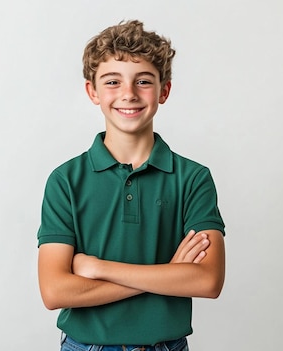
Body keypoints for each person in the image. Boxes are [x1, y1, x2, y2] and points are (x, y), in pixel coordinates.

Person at [37, 19, 226, 351]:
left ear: (164, 90)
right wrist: (169, 274)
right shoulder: (66, 180)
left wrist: (97, 268)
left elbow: (208, 281)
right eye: (112, 81)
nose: (128, 94)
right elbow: (54, 292)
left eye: (143, 81)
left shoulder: (193, 178)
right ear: (92, 91)